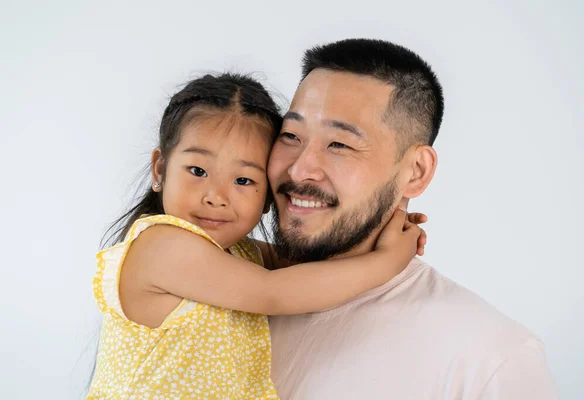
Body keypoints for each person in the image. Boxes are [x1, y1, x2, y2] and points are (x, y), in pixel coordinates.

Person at [86, 72, 427, 399]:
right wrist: (388, 261)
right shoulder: (160, 245)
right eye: (198, 171)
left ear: (268, 196)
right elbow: (275, 292)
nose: (216, 196)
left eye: (244, 181)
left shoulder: (237, 255)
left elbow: (306, 263)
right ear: (160, 169)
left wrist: (381, 227)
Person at [266, 38, 559, 399]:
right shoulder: (217, 292)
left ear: (416, 171)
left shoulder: (489, 357)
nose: (299, 169)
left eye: (339, 144)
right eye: (291, 135)